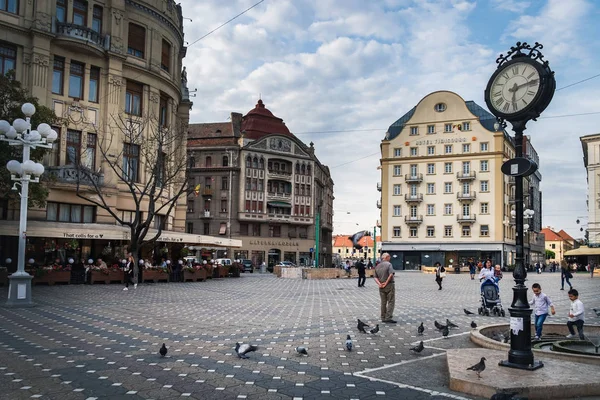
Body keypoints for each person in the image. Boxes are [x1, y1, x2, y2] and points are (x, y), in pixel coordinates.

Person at [374, 253, 396, 323]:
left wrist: (379, 284)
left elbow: (375, 277)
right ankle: (388, 317)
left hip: (381, 286)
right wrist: (386, 283)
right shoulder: (389, 264)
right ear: (387, 257)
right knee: (391, 301)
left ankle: (383, 317)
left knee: (383, 302)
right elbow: (391, 274)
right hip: (389, 285)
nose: (390, 258)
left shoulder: (378, 266)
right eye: (389, 257)